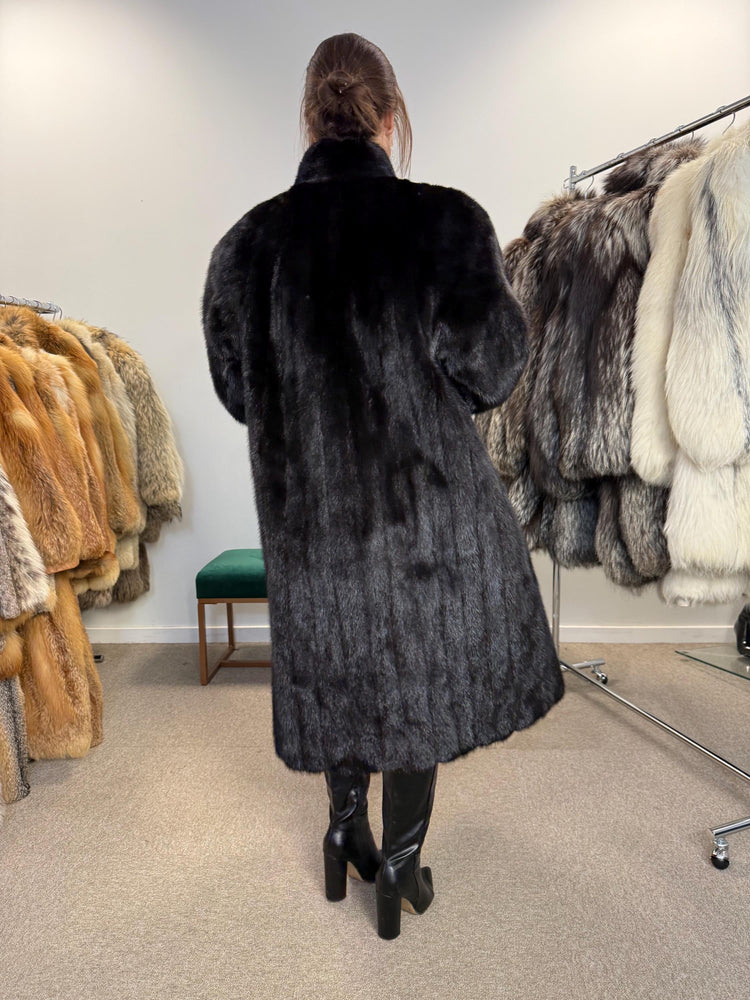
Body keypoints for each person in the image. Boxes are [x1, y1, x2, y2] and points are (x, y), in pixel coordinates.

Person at [201, 32, 564, 940]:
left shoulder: (245, 248)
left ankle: (343, 831)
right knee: (419, 682)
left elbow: (241, 392)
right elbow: (492, 369)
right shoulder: (445, 223)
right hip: (423, 517)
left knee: (340, 665)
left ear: (307, 121)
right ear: (391, 117)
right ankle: (399, 863)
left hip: (311, 522)